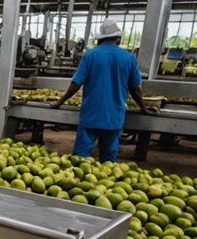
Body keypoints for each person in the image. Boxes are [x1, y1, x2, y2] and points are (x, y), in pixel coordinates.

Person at [50, 18, 152, 163]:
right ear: (118, 38)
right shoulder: (128, 58)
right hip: (114, 116)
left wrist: (60, 102)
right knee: (108, 161)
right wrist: (143, 107)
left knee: (79, 159)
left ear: (101, 38)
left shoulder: (90, 55)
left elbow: (76, 83)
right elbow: (136, 88)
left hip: (91, 114)